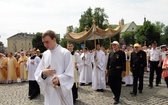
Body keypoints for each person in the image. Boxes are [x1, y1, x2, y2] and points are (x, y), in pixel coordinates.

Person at [34, 30, 74, 105]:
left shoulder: (65, 53)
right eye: (43, 42)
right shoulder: (45, 54)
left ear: (54, 39)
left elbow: (70, 74)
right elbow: (38, 73)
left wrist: (59, 80)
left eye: (47, 42)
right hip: (49, 92)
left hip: (61, 90)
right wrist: (43, 74)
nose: (45, 45)